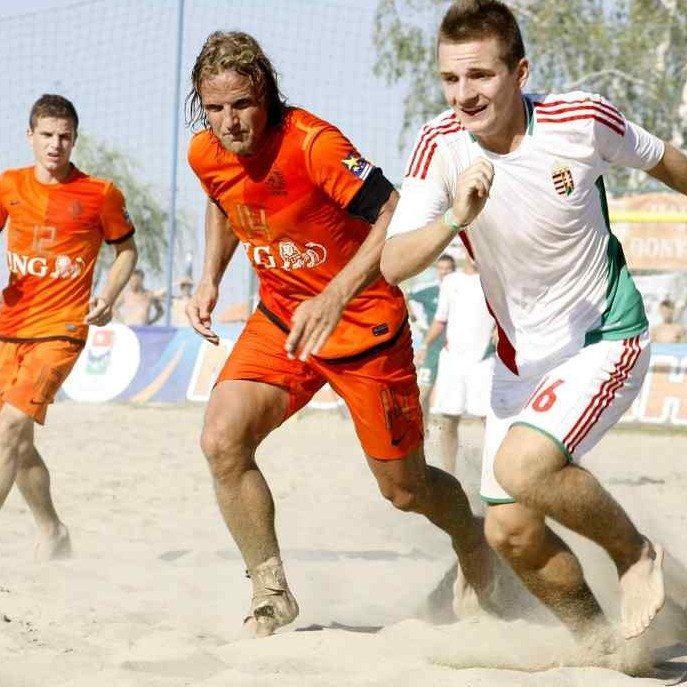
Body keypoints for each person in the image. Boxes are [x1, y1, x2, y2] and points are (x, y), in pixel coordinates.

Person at [380, 0, 684, 641]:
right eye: (450, 79)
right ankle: (604, 645)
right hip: (520, 362)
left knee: (524, 469)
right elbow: (392, 263)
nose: (464, 94)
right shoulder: (439, 147)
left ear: (519, 72)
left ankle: (636, 555)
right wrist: (454, 218)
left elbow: (662, 160)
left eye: (481, 76)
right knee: (508, 531)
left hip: (604, 336)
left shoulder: (580, 120)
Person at [185, 30, 492, 638]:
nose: (230, 122)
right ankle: (270, 592)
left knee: (405, 491)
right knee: (221, 440)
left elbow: (394, 211)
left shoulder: (314, 144)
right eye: (215, 109)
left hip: (364, 329)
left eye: (242, 105)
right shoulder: (204, 153)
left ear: (265, 95)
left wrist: (335, 293)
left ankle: (476, 544)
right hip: (283, 321)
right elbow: (222, 202)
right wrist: (208, 278)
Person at [0, 94, 137, 559]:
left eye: (64, 136)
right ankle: (53, 530)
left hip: (62, 328)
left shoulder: (100, 193)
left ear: (74, 139)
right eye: (47, 135)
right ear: (30, 136)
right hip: (9, 327)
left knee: (10, 426)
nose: (56, 144)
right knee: (16, 442)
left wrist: (110, 294)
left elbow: (127, 251)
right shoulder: (9, 185)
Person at [416, 258, 494, 475]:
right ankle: (451, 475)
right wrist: (424, 345)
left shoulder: (494, 278)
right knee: (448, 419)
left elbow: (504, 318)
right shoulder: (451, 281)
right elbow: (441, 320)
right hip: (452, 360)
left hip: (483, 361)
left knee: (489, 421)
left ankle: (493, 475)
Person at [407, 253, 455, 427]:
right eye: (441, 269)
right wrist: (413, 317)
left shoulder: (462, 288)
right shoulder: (430, 290)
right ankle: (423, 433)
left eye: (448, 269)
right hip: (433, 346)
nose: (444, 272)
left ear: (454, 270)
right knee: (422, 393)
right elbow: (406, 295)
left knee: (454, 399)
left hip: (457, 347)